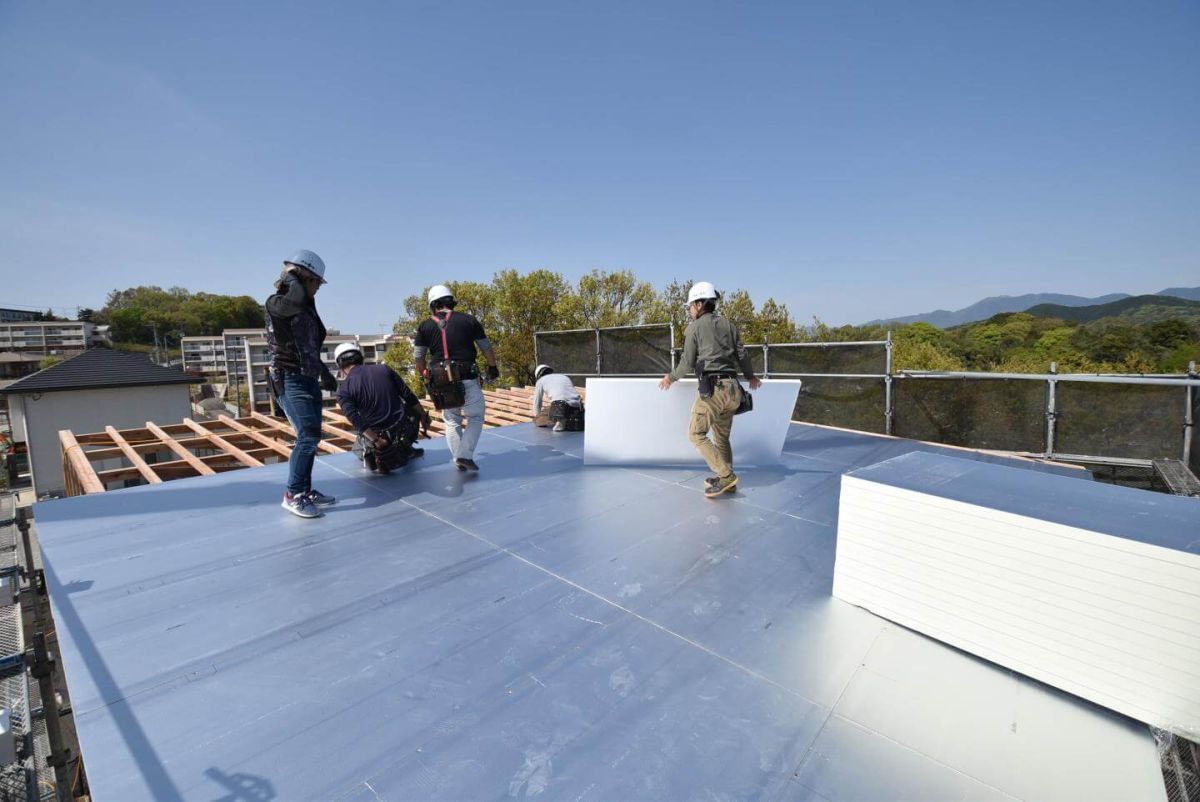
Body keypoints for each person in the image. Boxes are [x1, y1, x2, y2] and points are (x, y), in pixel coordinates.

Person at [658, 281, 762, 498]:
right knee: (722, 438)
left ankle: (726, 476)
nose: (689, 310)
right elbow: (742, 355)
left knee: (696, 433)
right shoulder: (729, 325)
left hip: (713, 391)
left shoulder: (694, 328)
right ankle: (729, 481)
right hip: (733, 390)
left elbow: (687, 362)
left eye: (690, 306)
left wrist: (671, 377)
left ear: (699, 303)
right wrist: (751, 377)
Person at [265, 249, 340, 518]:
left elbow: (310, 347)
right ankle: (292, 494)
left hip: (308, 377)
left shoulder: (306, 307)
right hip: (288, 378)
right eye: (316, 282)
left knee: (312, 436)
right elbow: (292, 303)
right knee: (307, 435)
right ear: (303, 278)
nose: (318, 287)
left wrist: (324, 373)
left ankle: (305, 490)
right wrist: (293, 277)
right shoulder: (276, 303)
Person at [413, 284, 500, 471]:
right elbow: (486, 347)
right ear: (451, 301)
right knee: (475, 417)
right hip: (467, 376)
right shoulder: (469, 320)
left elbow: (419, 359)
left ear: (433, 304)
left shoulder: (425, 326)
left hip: (441, 381)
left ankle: (458, 459)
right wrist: (492, 368)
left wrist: (425, 375)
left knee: (452, 421)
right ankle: (464, 455)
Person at [333, 342, 431, 474]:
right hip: (402, 428)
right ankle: (406, 447)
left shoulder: (343, 390)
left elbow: (355, 419)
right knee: (412, 409)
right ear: (360, 358)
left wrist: (377, 441)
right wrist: (424, 416)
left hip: (378, 437)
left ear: (340, 365)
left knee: (357, 449)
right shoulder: (384, 369)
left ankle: (378, 454)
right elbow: (408, 396)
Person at [531, 364, 584, 431]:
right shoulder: (564, 377)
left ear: (538, 375)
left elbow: (537, 402)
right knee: (552, 408)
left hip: (560, 406)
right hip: (578, 407)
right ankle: (569, 419)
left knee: (539, 420)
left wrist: (537, 417)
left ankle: (560, 419)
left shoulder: (540, 381)